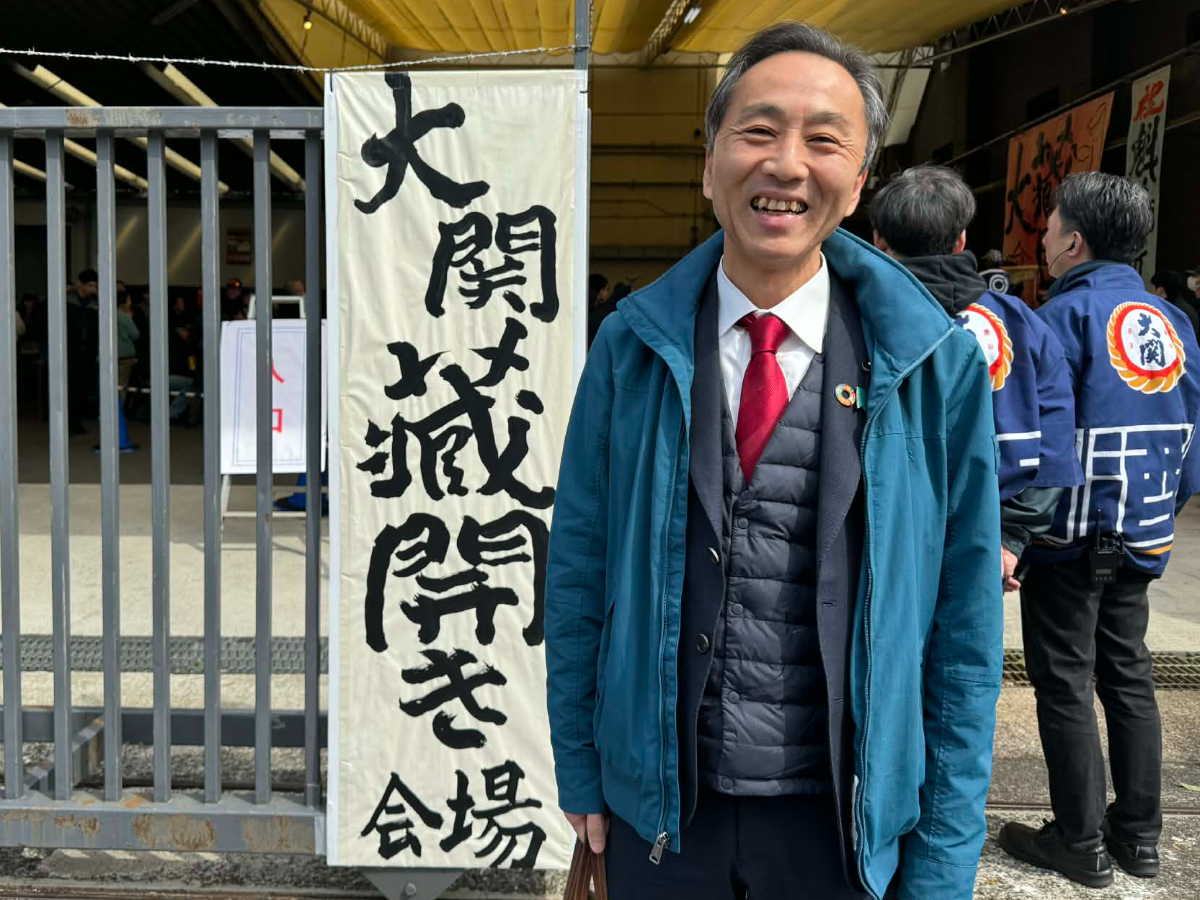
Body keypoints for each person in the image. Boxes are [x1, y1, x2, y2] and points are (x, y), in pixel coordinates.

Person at [545, 22, 1001, 900]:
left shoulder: (934, 368)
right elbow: (578, 571)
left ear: (859, 182)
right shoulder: (630, 349)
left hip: (842, 826)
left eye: (824, 140)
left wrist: (944, 856)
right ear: (709, 162)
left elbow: (963, 634)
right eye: (757, 131)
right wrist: (581, 764)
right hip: (662, 818)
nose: (787, 164)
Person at [997, 173, 1200, 887]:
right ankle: (1139, 837)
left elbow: (1037, 434)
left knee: (1064, 681)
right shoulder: (1173, 323)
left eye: (1050, 224)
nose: (1044, 237)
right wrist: (1157, 510)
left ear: (1074, 240)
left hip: (1071, 537)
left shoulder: (1056, 320)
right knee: (1129, 674)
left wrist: (1016, 532)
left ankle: (1079, 841)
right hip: (1143, 532)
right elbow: (1192, 440)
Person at [870, 165, 1082, 592]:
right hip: (984, 545)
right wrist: (1011, 539)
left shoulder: (854, 315)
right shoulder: (1024, 324)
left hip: (877, 542)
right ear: (961, 240)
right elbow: (1055, 438)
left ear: (878, 240)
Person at [1150, 270, 1199, 335]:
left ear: (1161, 291)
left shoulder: (1164, 312)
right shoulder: (1187, 309)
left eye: (1152, 288)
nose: (1150, 293)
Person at [116, 287, 140, 403]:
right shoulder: (124, 317)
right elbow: (136, 335)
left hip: (109, 354)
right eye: (129, 300)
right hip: (125, 355)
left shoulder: (106, 314)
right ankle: (118, 409)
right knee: (122, 385)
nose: (130, 303)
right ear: (123, 302)